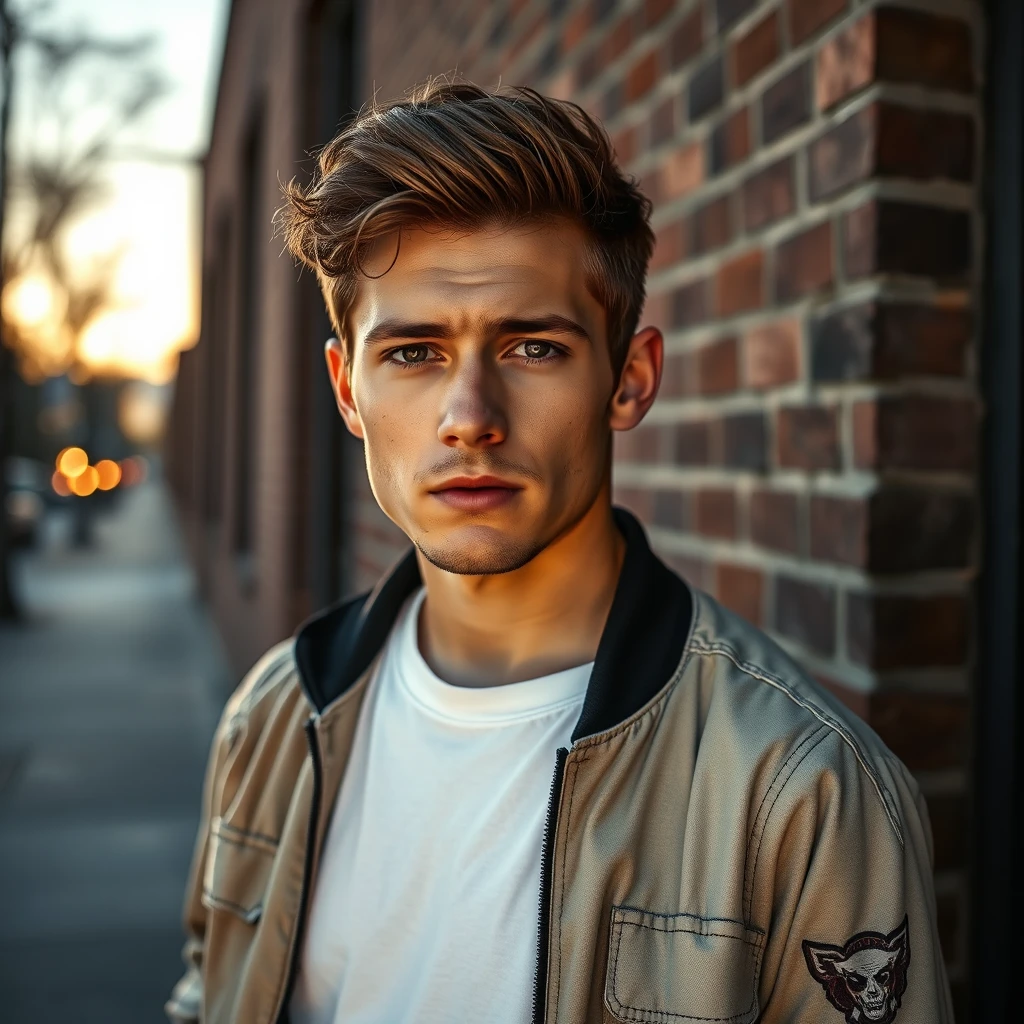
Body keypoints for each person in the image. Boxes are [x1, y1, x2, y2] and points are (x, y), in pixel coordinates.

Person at [166, 80, 954, 1024]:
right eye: (413, 353)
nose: (469, 420)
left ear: (630, 380)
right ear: (346, 390)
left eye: (532, 348)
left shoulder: (804, 792)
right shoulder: (273, 717)